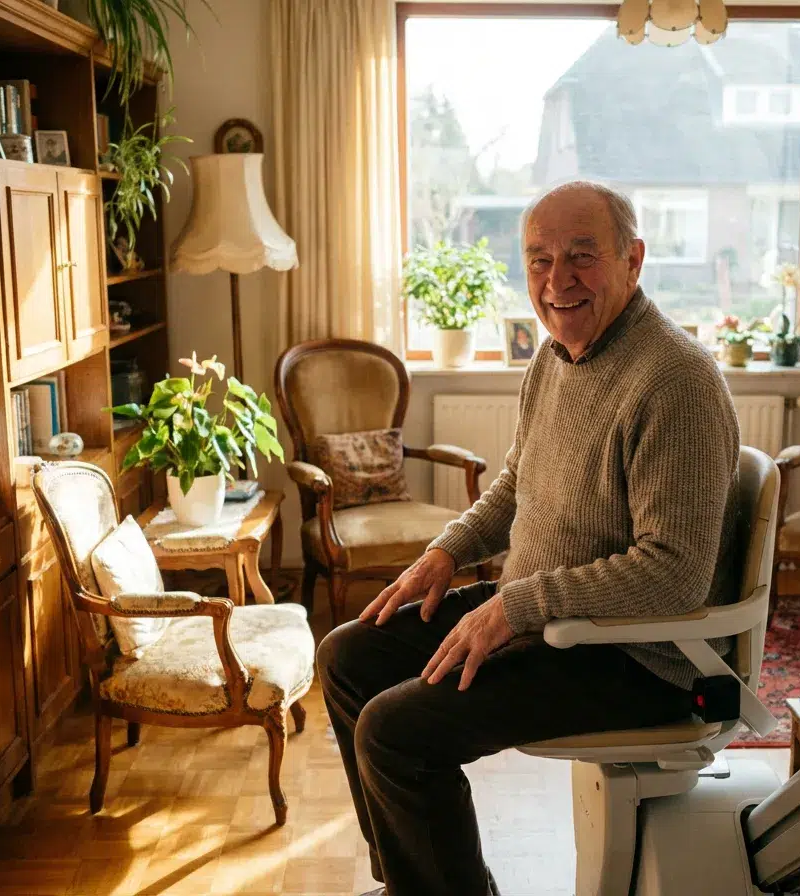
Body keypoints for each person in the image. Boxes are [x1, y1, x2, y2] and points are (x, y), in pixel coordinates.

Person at [317, 180, 741, 896]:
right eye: (539, 259)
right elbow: (518, 481)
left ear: (633, 260)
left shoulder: (676, 382)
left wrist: (516, 606)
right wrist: (446, 551)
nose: (556, 280)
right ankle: (414, 884)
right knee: (349, 657)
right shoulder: (554, 358)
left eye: (582, 256)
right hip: (552, 624)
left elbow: (674, 574)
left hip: (636, 657)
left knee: (396, 732)